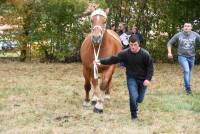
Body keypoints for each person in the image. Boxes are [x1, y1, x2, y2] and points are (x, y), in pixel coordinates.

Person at [94, 35, 154, 120]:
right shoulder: (125, 53)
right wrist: (100, 61)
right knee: (133, 96)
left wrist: (148, 79)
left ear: (139, 44)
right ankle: (134, 116)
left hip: (143, 80)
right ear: (129, 44)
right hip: (131, 78)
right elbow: (113, 59)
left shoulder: (145, 54)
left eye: (135, 45)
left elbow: (150, 67)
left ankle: (135, 103)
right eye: (131, 45)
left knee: (139, 99)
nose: (133, 47)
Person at [167, 23, 200, 95]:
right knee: (187, 70)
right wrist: (169, 52)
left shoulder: (195, 35)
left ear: (191, 28)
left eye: (188, 26)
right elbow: (169, 43)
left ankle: (187, 86)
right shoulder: (179, 35)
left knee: (189, 72)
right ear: (183, 27)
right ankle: (188, 89)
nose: (186, 27)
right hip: (182, 56)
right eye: (185, 26)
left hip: (192, 56)